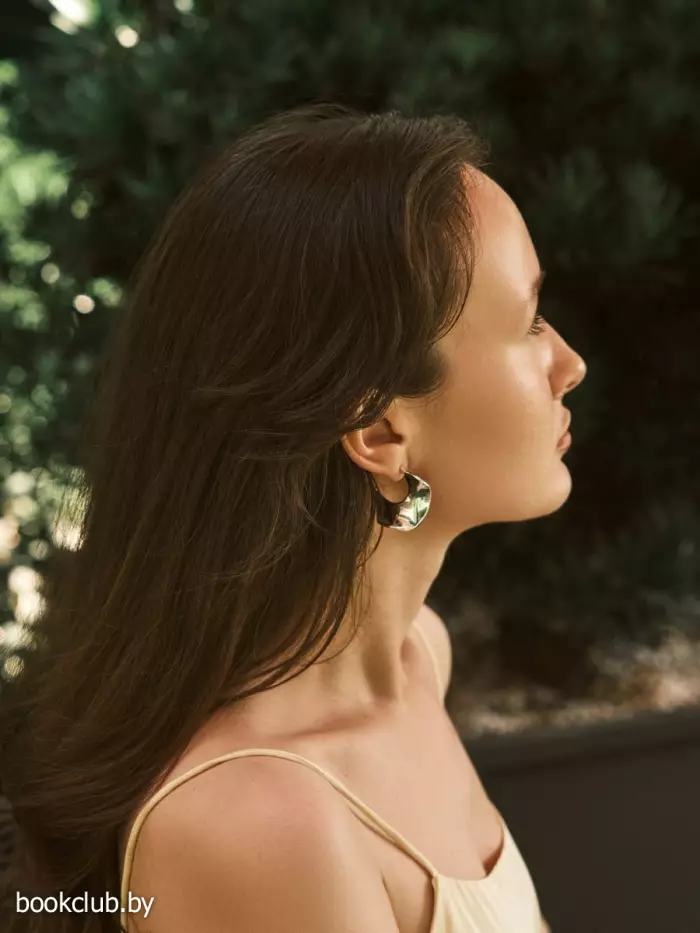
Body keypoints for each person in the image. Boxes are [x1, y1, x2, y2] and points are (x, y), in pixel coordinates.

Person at [0, 103, 585, 933]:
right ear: (379, 432)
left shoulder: (420, 656)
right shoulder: (260, 824)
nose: (570, 363)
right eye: (528, 322)